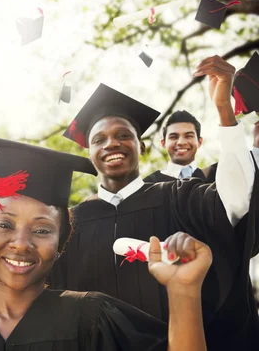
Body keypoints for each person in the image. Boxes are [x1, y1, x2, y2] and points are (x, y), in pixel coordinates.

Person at [0, 133, 209, 351]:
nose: (20, 242)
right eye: (4, 224)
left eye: (42, 230)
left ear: (60, 242)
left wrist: (184, 292)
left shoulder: (94, 319)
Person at [58, 56, 258, 349]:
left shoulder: (180, 196)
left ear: (142, 145)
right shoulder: (71, 223)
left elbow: (237, 200)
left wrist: (224, 109)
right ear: (90, 153)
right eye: (99, 140)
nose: (111, 143)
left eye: (123, 135)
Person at [144, 110, 216, 183]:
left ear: (199, 142)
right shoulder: (150, 184)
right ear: (163, 143)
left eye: (188, 136)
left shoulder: (214, 180)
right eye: (173, 137)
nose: (181, 142)